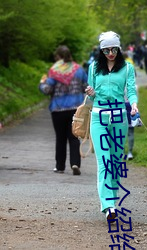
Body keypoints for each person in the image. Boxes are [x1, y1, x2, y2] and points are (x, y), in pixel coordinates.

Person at [85, 31, 138, 222]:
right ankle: (108, 205)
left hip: (119, 118)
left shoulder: (127, 68)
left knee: (115, 162)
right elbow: (91, 96)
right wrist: (90, 92)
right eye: (106, 50)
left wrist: (133, 104)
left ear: (119, 48)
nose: (110, 53)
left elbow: (131, 90)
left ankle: (112, 200)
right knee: (104, 162)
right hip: (98, 117)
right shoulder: (93, 68)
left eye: (114, 49)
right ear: (101, 50)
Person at [39, 45, 88, 175]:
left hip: (58, 109)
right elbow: (86, 87)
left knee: (60, 138)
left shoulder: (54, 71)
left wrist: (42, 83)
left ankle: (60, 166)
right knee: (74, 137)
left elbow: (47, 90)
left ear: (58, 57)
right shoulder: (79, 70)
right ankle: (75, 163)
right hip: (75, 109)